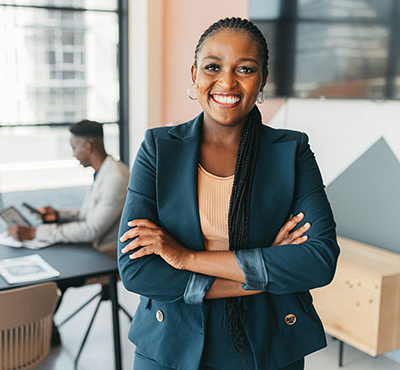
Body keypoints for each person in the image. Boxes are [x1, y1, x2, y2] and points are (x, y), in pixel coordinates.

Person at [118, 17, 339, 370]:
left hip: (268, 344)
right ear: (194, 74)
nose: (227, 82)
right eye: (212, 67)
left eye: (245, 68)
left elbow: (319, 261)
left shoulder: (291, 151)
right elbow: (137, 270)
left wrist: (185, 258)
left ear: (262, 78)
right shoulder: (158, 149)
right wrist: (261, 275)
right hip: (170, 344)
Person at [8, 119, 129, 261]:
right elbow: (89, 213)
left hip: (104, 255)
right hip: (90, 247)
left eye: (73, 148)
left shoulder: (115, 178)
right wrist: (58, 215)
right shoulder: (104, 170)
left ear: (87, 147)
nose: (73, 155)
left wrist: (35, 232)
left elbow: (92, 230)